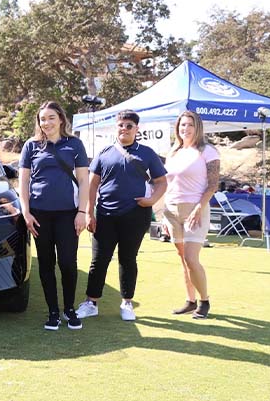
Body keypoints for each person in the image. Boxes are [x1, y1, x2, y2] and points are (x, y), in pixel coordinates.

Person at [75, 110, 168, 322]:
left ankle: (127, 302)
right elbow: (92, 184)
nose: (124, 129)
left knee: (128, 259)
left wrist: (152, 201)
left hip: (136, 215)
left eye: (129, 126)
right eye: (121, 125)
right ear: (115, 127)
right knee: (98, 261)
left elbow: (162, 182)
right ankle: (91, 303)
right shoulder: (105, 153)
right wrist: (89, 212)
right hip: (105, 216)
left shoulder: (147, 153)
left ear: (137, 129)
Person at [18, 102, 89, 330]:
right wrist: (26, 212)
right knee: (46, 264)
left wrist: (82, 212)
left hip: (69, 215)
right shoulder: (31, 146)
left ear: (60, 119)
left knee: (68, 263)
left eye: (50, 118)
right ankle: (53, 312)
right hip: (39, 215)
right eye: (42, 119)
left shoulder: (75, 145)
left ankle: (69, 309)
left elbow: (84, 181)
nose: (46, 123)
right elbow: (23, 182)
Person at [162, 111, 219, 319]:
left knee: (191, 258)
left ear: (198, 128)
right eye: (182, 125)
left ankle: (204, 301)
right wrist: (162, 215)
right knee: (182, 259)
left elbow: (213, 185)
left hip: (196, 209)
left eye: (189, 125)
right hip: (171, 210)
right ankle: (190, 300)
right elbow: (167, 184)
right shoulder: (174, 152)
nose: (185, 129)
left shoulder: (208, 151)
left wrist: (198, 207)